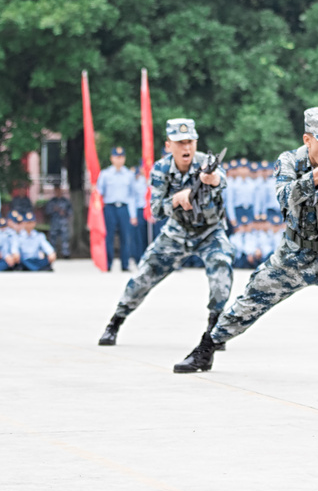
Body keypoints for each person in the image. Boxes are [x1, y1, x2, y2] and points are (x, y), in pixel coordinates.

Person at [172, 106, 318, 384]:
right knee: (247, 304)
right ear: (307, 140)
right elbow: (284, 196)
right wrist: (316, 177)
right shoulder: (290, 161)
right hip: (293, 255)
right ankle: (206, 348)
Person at [98, 120, 234, 347]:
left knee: (222, 266)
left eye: (190, 142)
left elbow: (221, 179)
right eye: (180, 143)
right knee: (143, 276)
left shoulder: (206, 164)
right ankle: (115, 322)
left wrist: (213, 179)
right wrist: (177, 199)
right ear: (169, 145)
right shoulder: (161, 169)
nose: (186, 148)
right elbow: (156, 210)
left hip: (210, 232)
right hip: (176, 233)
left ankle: (214, 331)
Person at [97, 147, 138, 272]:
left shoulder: (129, 175)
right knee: (108, 236)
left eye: (121, 157)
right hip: (109, 208)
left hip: (124, 208)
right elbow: (99, 193)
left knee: (125, 237)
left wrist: (133, 214)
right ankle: (107, 264)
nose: (119, 160)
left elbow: (132, 196)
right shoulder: (105, 174)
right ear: (112, 158)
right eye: (116, 157)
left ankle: (125, 264)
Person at [44, 186, 73, 258]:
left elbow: (70, 212)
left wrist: (64, 213)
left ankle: (65, 254)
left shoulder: (65, 201)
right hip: (54, 222)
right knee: (53, 239)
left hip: (63, 223)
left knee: (65, 239)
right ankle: (53, 253)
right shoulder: (52, 201)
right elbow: (47, 211)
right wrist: (54, 210)